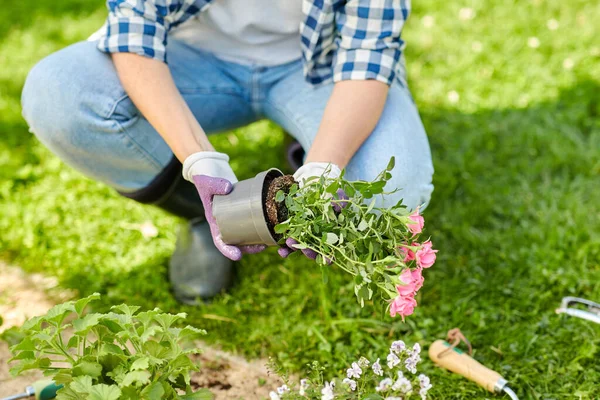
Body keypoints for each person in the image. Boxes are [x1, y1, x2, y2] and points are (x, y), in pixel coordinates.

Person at [21, 0, 434, 304]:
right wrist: (199, 159)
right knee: (59, 95)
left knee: (396, 187)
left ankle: (306, 150)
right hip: (193, 57)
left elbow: (367, 55)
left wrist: (324, 166)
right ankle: (206, 214)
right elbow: (135, 28)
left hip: (320, 66)